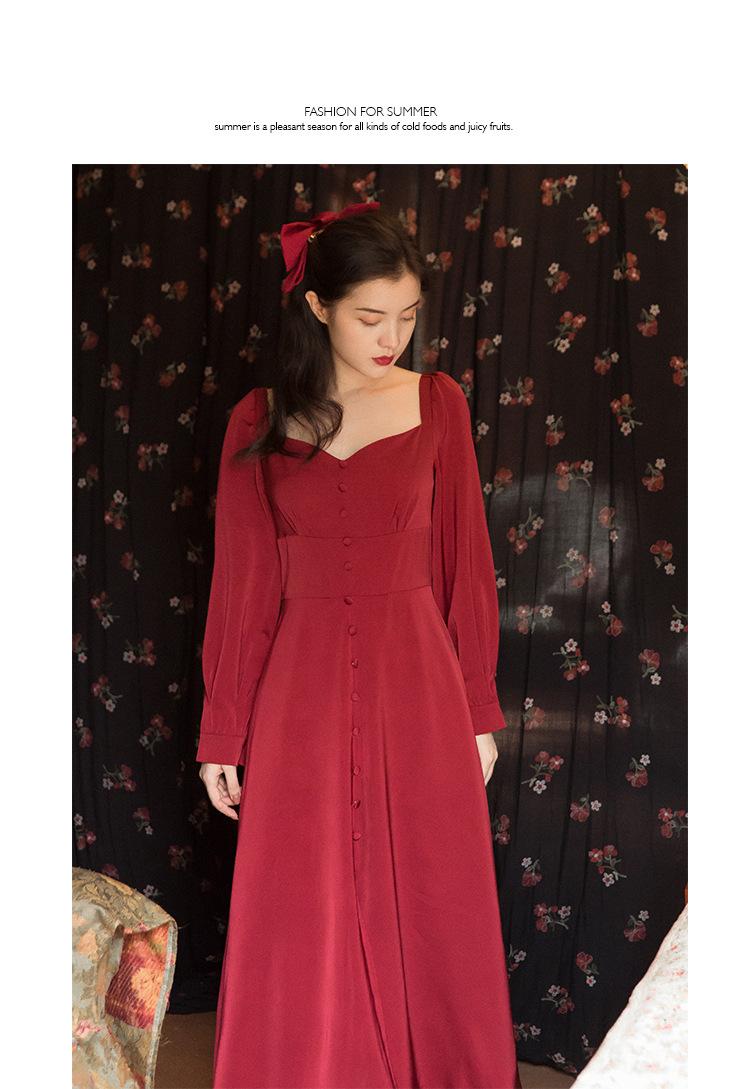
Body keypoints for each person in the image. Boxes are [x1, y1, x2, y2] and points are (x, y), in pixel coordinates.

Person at [197, 202, 522, 1089]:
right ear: (318, 307)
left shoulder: (437, 402)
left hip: (417, 683)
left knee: (431, 888)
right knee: (300, 893)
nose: (392, 338)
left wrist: (478, 707)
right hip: (296, 689)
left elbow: (464, 561)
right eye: (370, 316)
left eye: (407, 315)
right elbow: (242, 585)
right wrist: (223, 729)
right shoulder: (257, 420)